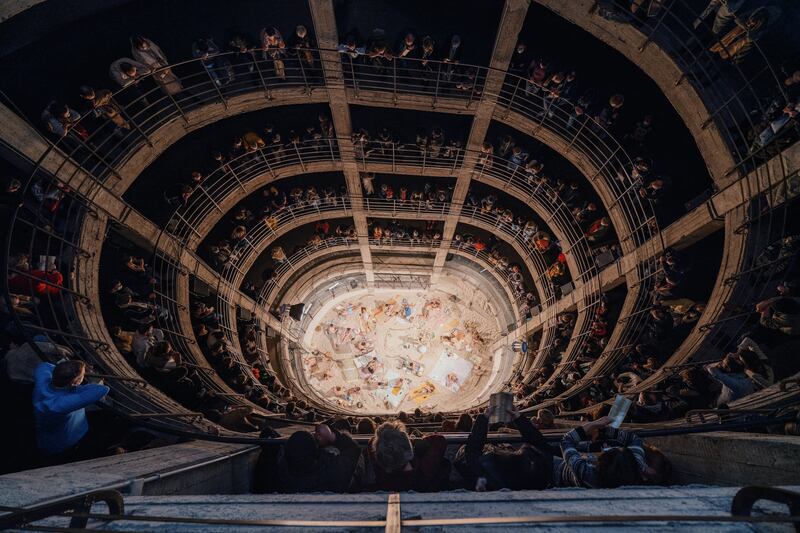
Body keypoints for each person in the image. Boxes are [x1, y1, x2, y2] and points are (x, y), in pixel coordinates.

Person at [455, 407, 558, 491]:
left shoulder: (487, 475)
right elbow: (540, 444)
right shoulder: (538, 474)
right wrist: (519, 419)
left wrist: (483, 419)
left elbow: (471, 454)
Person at [32, 360, 110, 458]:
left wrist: (71, 371)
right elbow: (102, 390)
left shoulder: (42, 379)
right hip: (65, 440)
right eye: (83, 375)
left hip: (46, 430)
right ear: (74, 383)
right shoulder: (61, 404)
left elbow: (44, 365)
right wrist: (83, 382)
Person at [554, 416, 645, 488]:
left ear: (602, 463)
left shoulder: (587, 474)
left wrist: (593, 425)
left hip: (559, 472)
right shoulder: (636, 466)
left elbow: (566, 440)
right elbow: (635, 439)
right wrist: (607, 431)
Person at [363, 420, 449, 492]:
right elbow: (440, 440)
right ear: (409, 447)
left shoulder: (382, 476)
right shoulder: (422, 473)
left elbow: (371, 442)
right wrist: (413, 441)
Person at [275, 424, 361, 492]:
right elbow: (352, 449)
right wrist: (331, 436)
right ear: (316, 453)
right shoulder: (333, 474)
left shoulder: (281, 476)